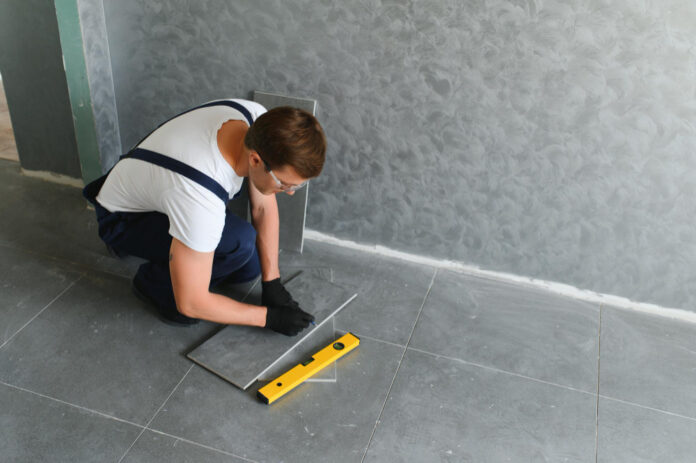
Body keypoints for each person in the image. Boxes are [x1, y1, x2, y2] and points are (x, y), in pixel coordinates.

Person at [82, 99, 325, 336]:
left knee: (249, 267)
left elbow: (262, 208)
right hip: (124, 219)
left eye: (297, 186)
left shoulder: (257, 120)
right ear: (255, 160)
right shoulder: (198, 196)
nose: (290, 192)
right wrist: (268, 318)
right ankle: (153, 283)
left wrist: (272, 282)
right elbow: (191, 302)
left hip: (159, 192)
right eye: (285, 184)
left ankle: (182, 262)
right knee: (234, 249)